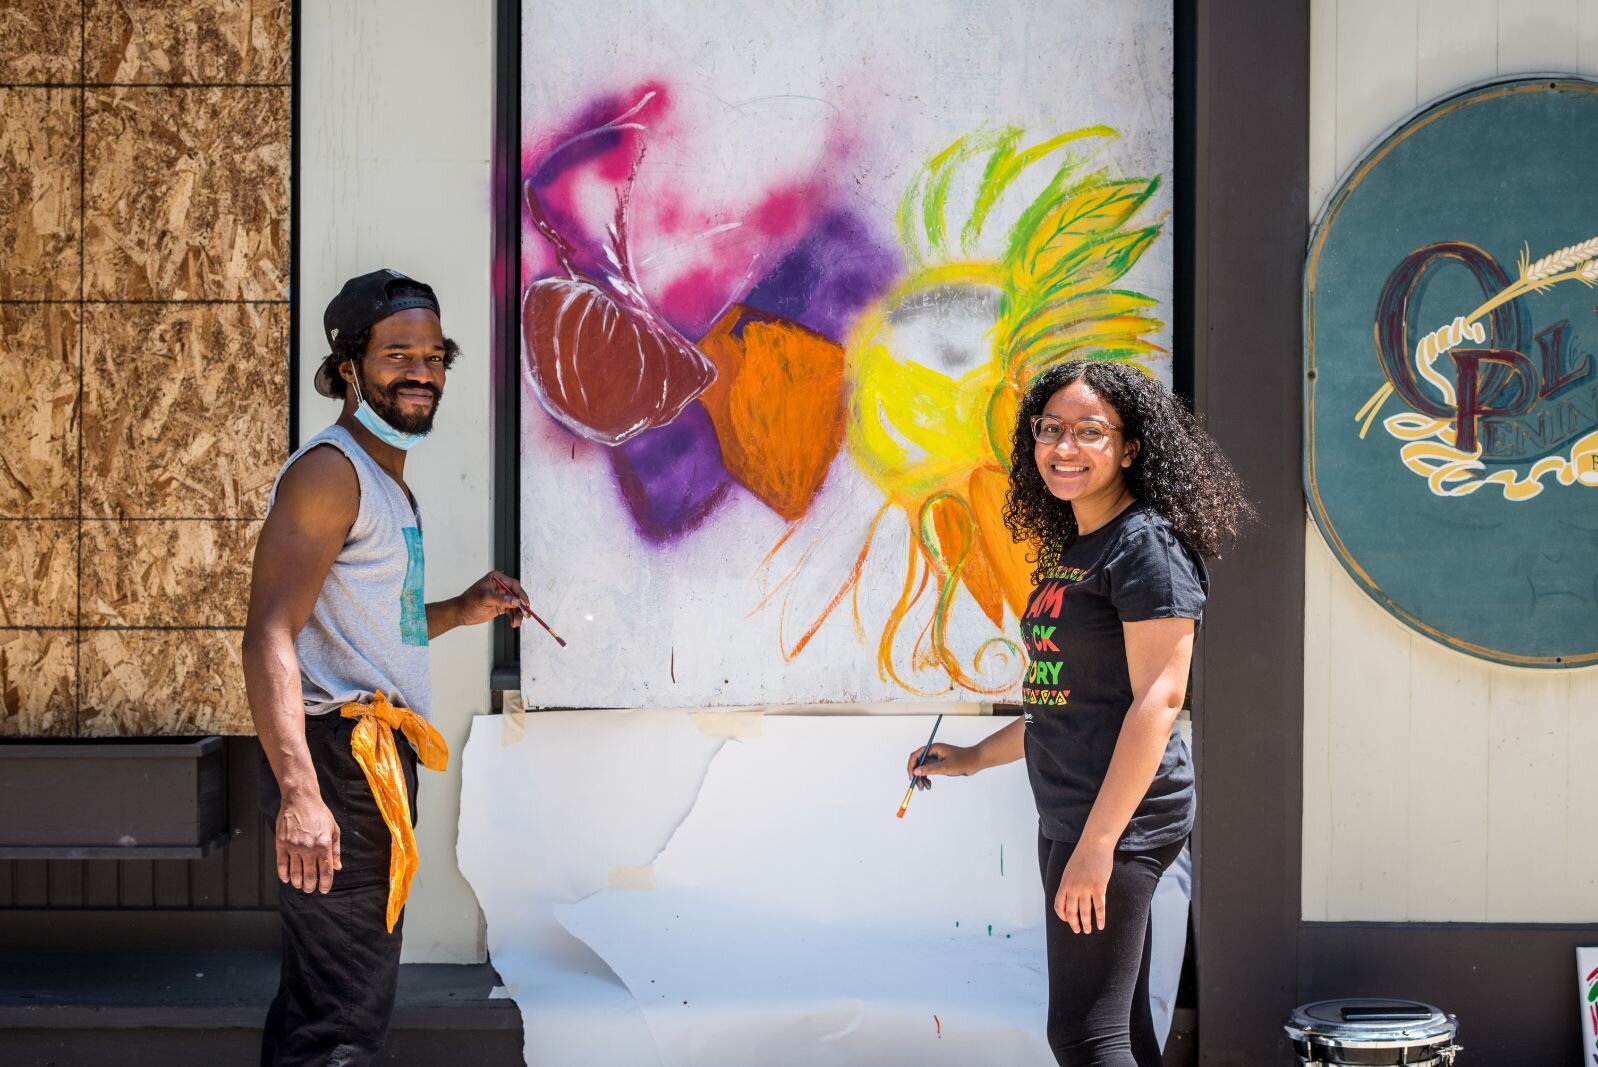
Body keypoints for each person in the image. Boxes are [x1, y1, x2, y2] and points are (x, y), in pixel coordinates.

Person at [906, 360, 1252, 1067]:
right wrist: (972, 758)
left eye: (1090, 431)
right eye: (1051, 428)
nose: (1064, 447)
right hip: (1074, 812)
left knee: (1084, 1037)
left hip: (1116, 820)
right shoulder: (1085, 547)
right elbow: (1060, 700)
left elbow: (1159, 700)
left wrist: (1099, 846)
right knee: (1120, 1030)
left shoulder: (1146, 545)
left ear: (1129, 448)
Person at [243, 269, 532, 1066]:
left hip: (367, 762)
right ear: (348, 367)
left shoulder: (383, 480)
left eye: (434, 356)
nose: (421, 371)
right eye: (397, 353)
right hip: (337, 761)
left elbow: (370, 626)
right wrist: (301, 792)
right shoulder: (330, 473)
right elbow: (268, 633)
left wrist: (459, 610)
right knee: (340, 1017)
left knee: (328, 994)